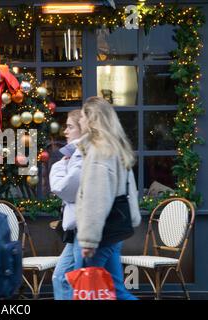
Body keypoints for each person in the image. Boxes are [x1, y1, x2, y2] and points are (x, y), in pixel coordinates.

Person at [74, 96, 141, 300]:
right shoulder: (114, 147)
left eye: (83, 117)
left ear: (93, 119)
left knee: (85, 290)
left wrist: (89, 241)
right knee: (117, 291)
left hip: (100, 235)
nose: (80, 121)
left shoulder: (99, 151)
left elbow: (96, 199)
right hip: (113, 231)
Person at [49, 109, 83, 300]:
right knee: (61, 277)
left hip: (83, 228)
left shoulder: (80, 154)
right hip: (76, 229)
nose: (65, 132)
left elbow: (65, 190)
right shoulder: (75, 154)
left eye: (70, 127)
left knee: (80, 283)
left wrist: (59, 166)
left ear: (82, 129)